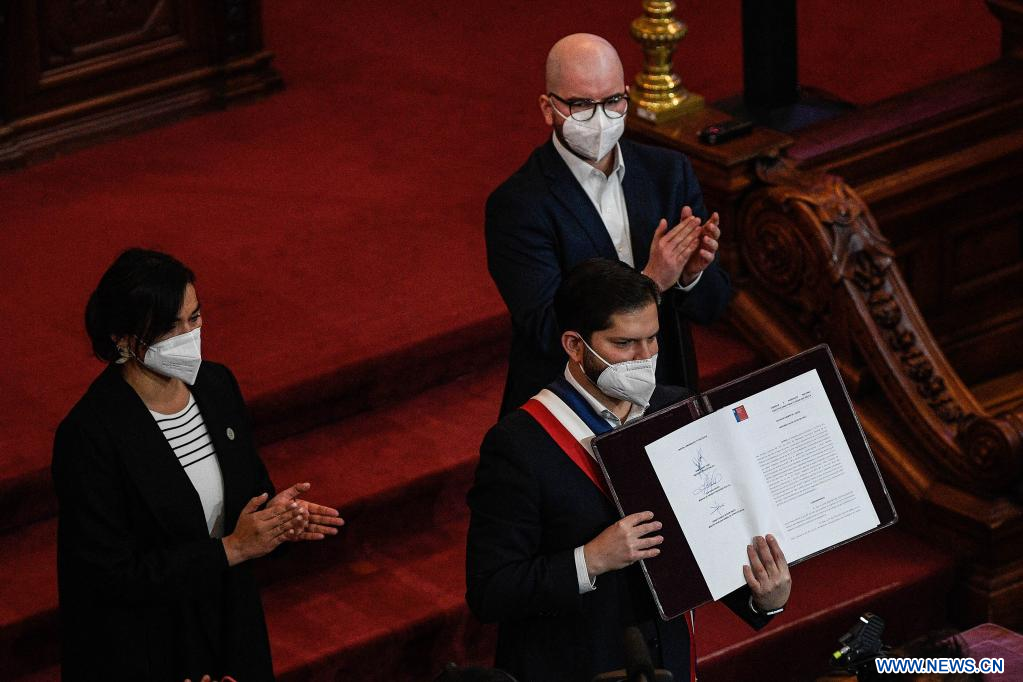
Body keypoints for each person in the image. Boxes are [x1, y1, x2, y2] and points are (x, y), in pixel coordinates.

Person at [466, 259, 790, 682]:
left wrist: (765, 598)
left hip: (667, 661)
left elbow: (704, 531)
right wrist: (591, 559)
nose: (644, 358)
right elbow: (491, 592)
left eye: (652, 339)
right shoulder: (518, 444)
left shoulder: (676, 408)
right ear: (575, 345)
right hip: (572, 666)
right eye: (624, 344)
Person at [53, 248, 345, 682]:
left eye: (194, 317)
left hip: (231, 626)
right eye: (170, 327)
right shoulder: (90, 435)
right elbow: (108, 577)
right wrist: (231, 549)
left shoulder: (216, 385)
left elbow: (247, 496)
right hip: (152, 648)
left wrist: (277, 523)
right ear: (124, 338)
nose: (188, 336)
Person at [486, 33, 732, 415]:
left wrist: (690, 275)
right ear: (548, 108)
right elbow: (547, 330)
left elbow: (715, 304)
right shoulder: (518, 205)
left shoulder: (668, 172)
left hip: (664, 393)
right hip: (573, 409)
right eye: (582, 105)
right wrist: (652, 281)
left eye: (613, 101)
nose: (601, 118)